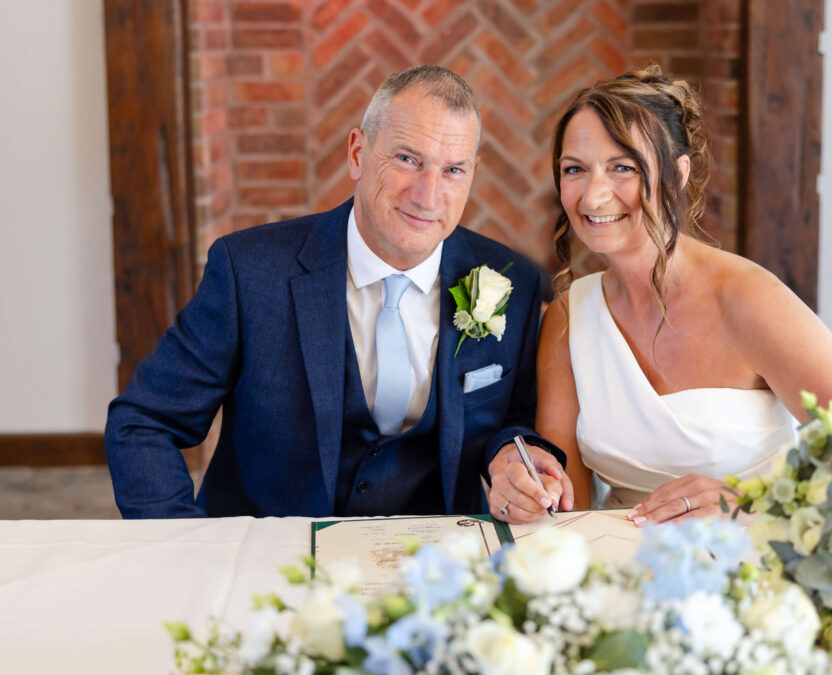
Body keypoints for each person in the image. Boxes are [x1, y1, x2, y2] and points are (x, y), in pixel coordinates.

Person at [106, 66, 571, 519]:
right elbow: (144, 421)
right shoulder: (250, 272)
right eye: (407, 159)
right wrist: (184, 548)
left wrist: (514, 454)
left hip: (437, 566)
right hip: (271, 562)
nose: (428, 196)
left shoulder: (513, 281)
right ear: (356, 153)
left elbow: (518, 416)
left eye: (452, 170)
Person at [514, 65, 832, 525]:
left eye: (622, 168)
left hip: (754, 564)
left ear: (677, 173)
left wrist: (752, 500)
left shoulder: (748, 300)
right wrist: (532, 486)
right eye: (575, 170)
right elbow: (566, 499)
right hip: (619, 569)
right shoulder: (570, 316)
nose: (592, 196)